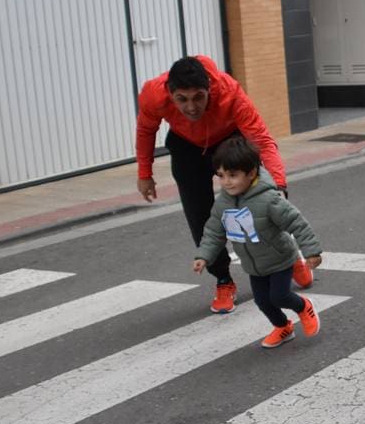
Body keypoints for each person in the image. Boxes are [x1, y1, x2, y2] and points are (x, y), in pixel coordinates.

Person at [137, 56, 304, 314]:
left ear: (209, 90)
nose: (191, 107)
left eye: (198, 97)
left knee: (258, 208)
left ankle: (288, 256)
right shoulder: (152, 94)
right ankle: (223, 280)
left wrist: (277, 185)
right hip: (186, 147)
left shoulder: (229, 90)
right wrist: (145, 172)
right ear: (170, 93)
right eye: (182, 99)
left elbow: (261, 139)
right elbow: (146, 130)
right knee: (201, 217)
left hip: (227, 141)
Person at [192, 138, 322, 349]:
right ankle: (283, 327)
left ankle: (303, 306)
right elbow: (214, 231)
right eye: (221, 176)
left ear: (251, 173)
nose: (226, 182)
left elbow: (296, 223)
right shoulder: (223, 203)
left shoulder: (269, 199)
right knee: (262, 301)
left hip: (279, 257)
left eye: (233, 175)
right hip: (254, 265)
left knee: (279, 296)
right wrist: (203, 256)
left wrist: (312, 251)